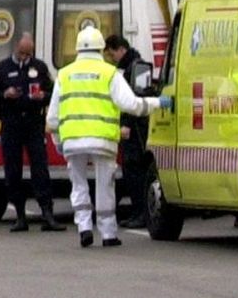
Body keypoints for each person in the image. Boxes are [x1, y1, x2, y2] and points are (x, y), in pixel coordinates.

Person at [47, 27, 166, 248]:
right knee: (105, 185)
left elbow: (53, 117)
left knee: (79, 184)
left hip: (73, 140)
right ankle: (108, 233)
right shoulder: (110, 73)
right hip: (103, 140)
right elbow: (131, 104)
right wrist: (158, 103)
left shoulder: (64, 74)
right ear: (101, 48)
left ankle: (84, 228)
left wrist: (58, 143)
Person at [0, 33, 65, 233]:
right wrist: (5, 94)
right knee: (13, 170)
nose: (24, 57)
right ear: (15, 49)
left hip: (33, 123)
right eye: (21, 53)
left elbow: (53, 94)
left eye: (28, 54)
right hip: (11, 124)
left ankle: (47, 213)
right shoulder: (2, 68)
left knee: (40, 168)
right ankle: (20, 216)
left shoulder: (39, 67)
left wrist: (42, 96)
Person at [102, 34, 150, 226]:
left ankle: (141, 213)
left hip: (136, 129)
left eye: (113, 54)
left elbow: (136, 99)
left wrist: (127, 124)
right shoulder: (127, 68)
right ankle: (137, 212)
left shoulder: (137, 67)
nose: (113, 59)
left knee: (135, 171)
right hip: (132, 127)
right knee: (130, 172)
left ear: (121, 49)